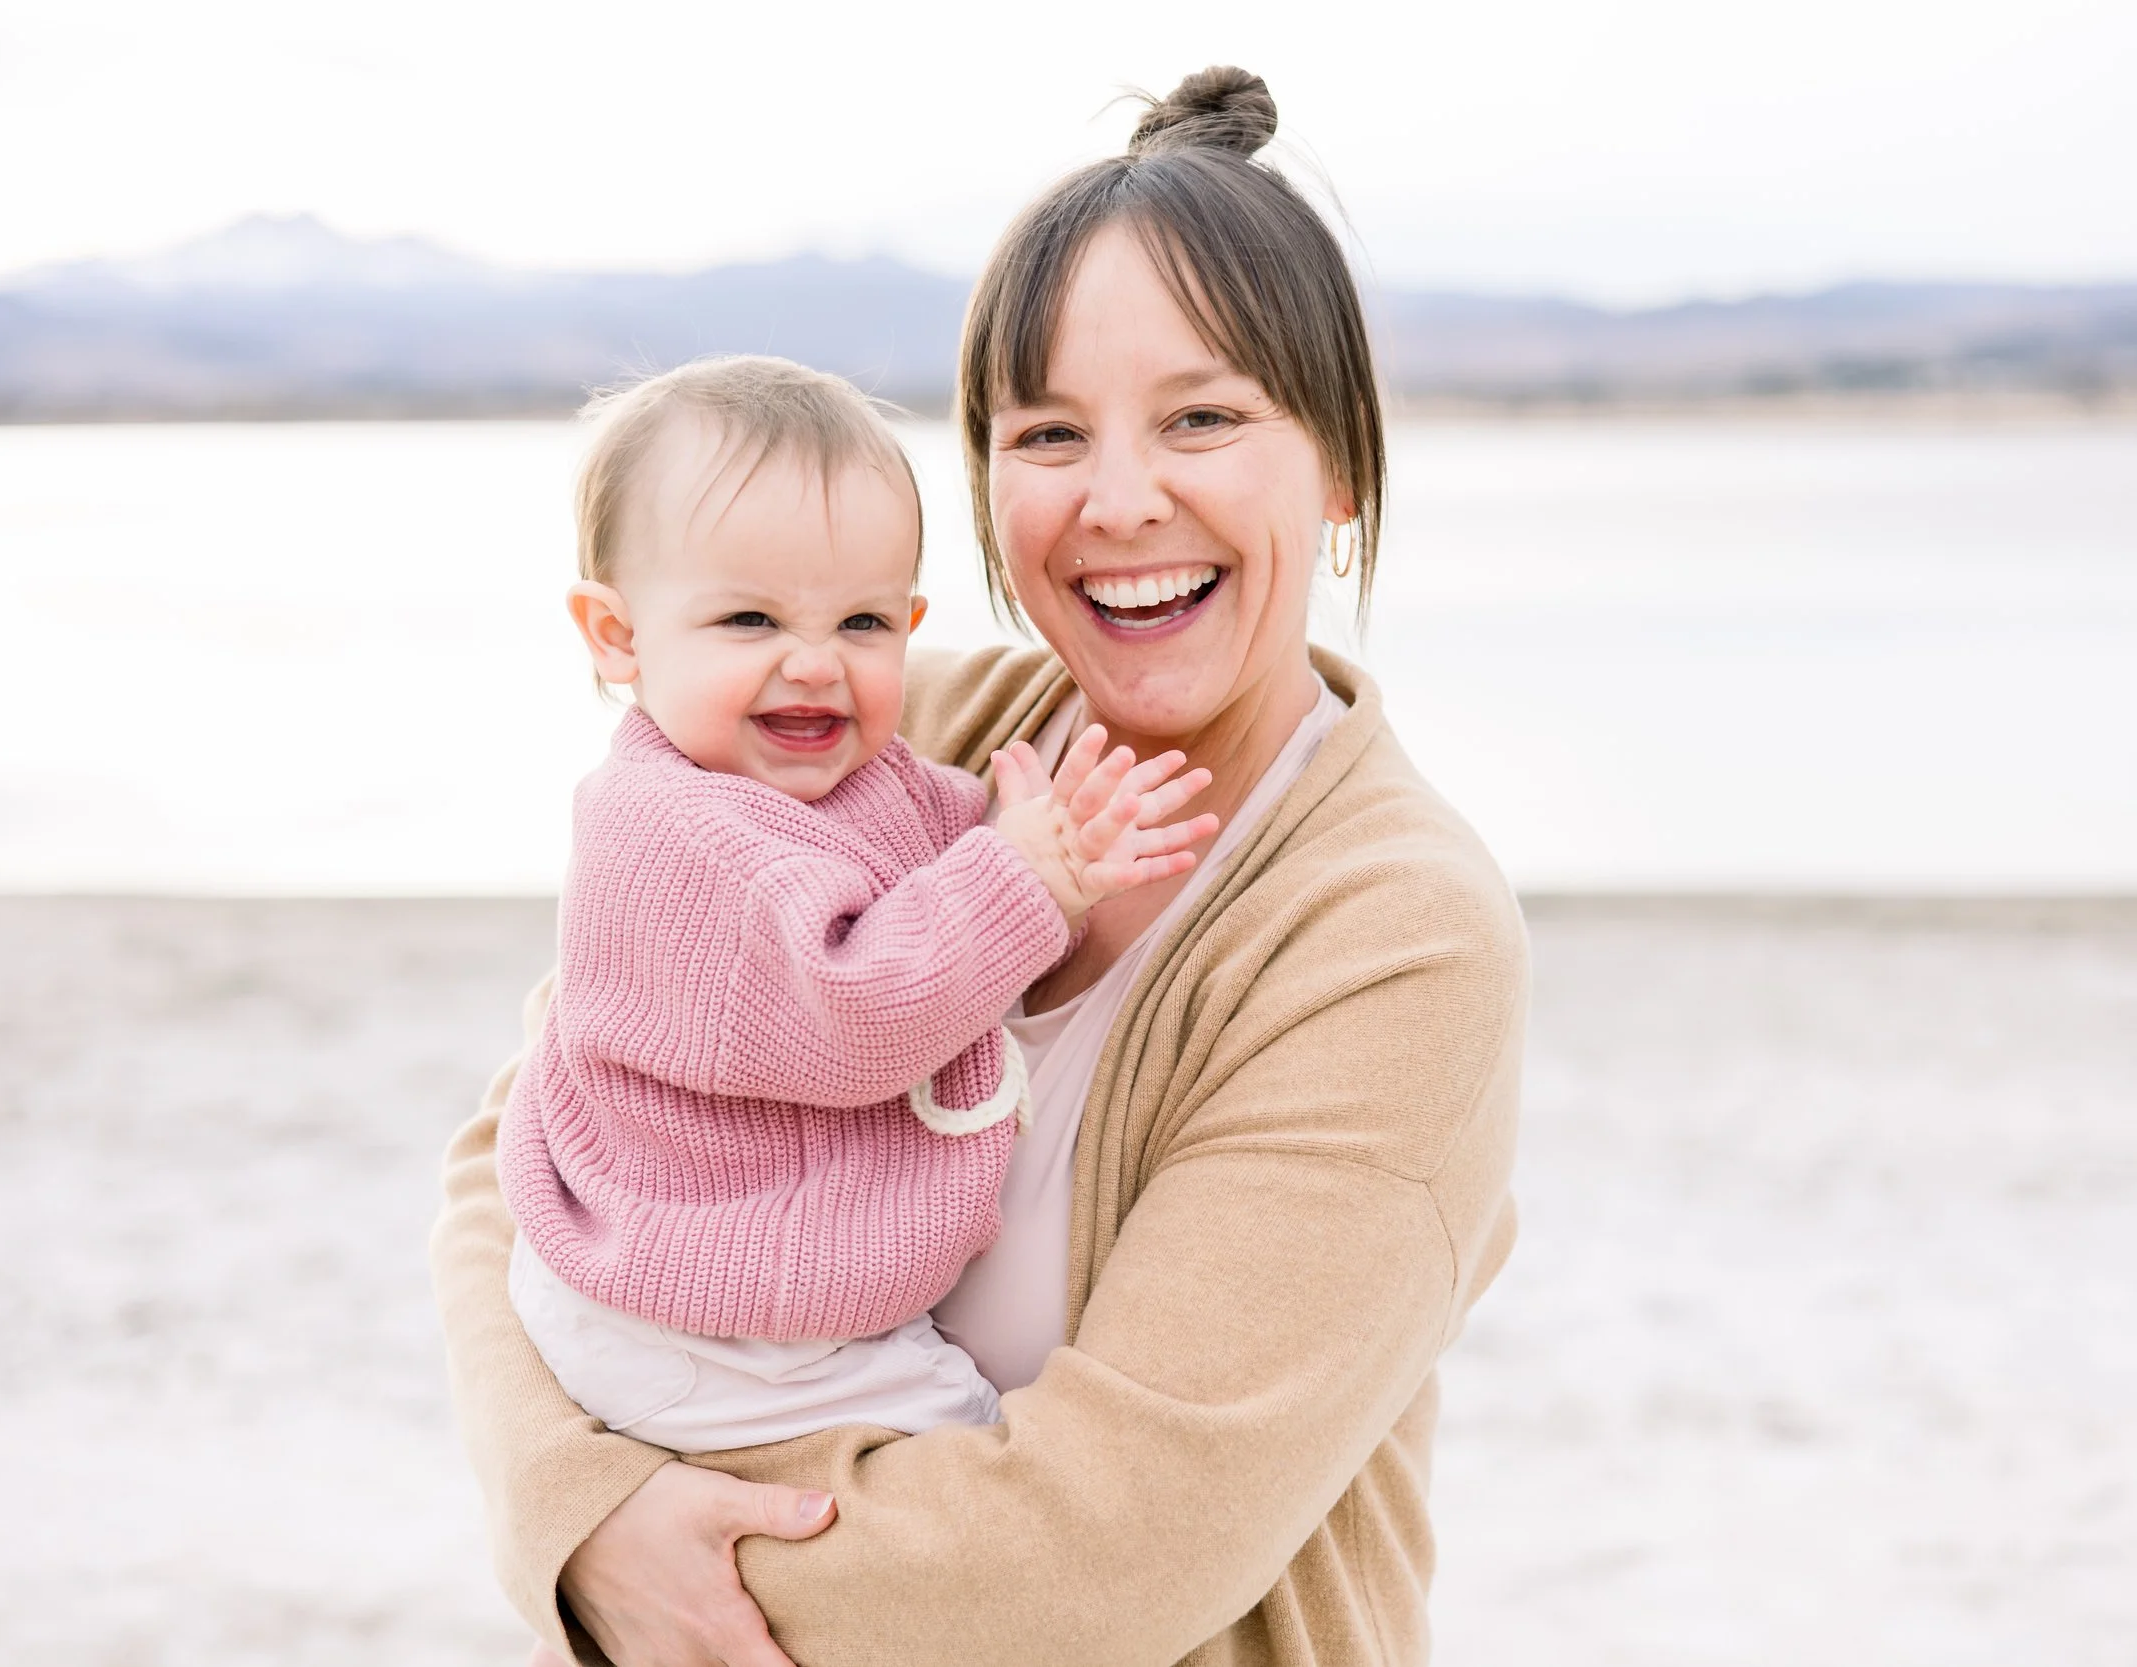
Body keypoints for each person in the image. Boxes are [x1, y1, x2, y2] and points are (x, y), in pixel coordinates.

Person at [434, 65, 1529, 1667]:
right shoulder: (894, 737)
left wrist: (676, 1574)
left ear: (1341, 466)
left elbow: (1101, 1557)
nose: (1120, 499)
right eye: (1048, 434)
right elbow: (520, 1144)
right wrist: (575, 1510)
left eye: (1205, 417)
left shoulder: (1393, 934)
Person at [502, 354, 1218, 1474]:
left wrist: (1036, 841)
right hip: (703, 1319)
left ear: (911, 623)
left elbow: (957, 870)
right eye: (747, 618)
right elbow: (856, 1007)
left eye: (863, 622)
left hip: (750, 1308)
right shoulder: (668, 827)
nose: (813, 665)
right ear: (617, 635)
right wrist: (1025, 876)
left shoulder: (854, 776)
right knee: (976, 1460)